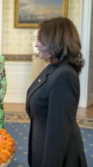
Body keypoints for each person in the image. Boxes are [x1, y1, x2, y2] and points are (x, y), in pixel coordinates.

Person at [26, 17, 87, 167]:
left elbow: (58, 135)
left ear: (55, 42)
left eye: (40, 40)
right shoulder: (52, 68)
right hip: (42, 148)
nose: (36, 45)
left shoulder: (64, 75)